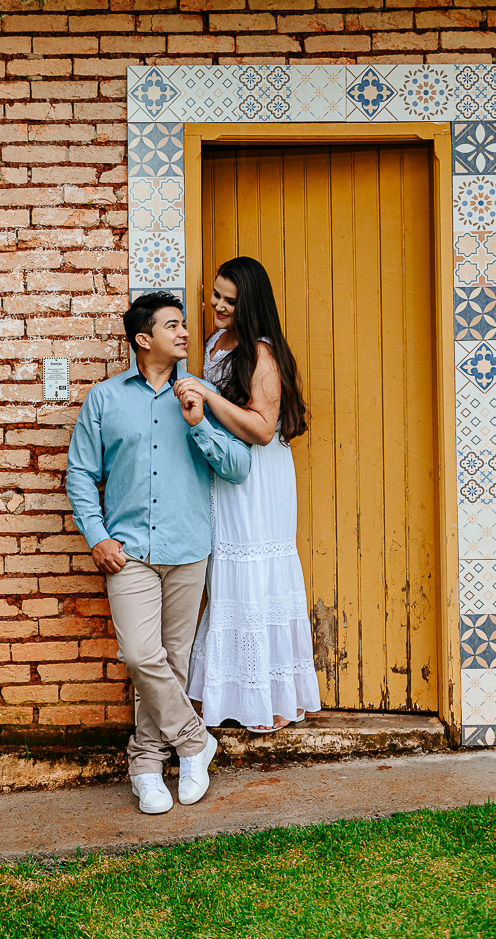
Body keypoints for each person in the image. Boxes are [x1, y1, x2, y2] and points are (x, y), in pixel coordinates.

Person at [66, 290, 252, 815]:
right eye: (173, 325)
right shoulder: (104, 399)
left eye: (183, 324)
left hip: (188, 549)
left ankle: (147, 766)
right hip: (128, 553)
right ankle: (195, 743)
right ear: (143, 339)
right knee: (141, 656)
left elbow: (238, 467)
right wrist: (97, 536)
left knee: (172, 662)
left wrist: (198, 424)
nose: (185, 332)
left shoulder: (201, 395)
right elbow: (80, 473)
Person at [179, 256, 321, 733]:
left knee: (257, 576)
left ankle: (272, 701)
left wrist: (208, 395)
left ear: (250, 304)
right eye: (215, 295)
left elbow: (262, 429)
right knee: (227, 577)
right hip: (226, 473)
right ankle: (228, 696)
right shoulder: (214, 343)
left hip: (260, 480)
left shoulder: (262, 353)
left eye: (230, 301)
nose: (218, 306)